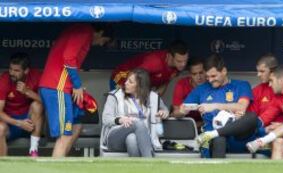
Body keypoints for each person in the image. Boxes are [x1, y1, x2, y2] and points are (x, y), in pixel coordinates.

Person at [39, 23, 113, 157]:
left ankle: (60, 164)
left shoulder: (79, 30)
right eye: (104, 41)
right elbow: (68, 58)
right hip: (57, 87)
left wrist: (74, 86)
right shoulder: (85, 31)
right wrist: (77, 85)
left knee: (75, 127)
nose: (102, 44)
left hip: (60, 87)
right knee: (64, 135)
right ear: (101, 32)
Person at [180, 54, 257, 158]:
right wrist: (182, 110)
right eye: (207, 77)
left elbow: (241, 107)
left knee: (252, 117)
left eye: (213, 76)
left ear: (224, 71)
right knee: (219, 139)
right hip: (212, 138)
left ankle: (214, 134)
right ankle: (213, 135)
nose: (210, 80)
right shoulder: (201, 89)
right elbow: (181, 109)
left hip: (236, 135)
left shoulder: (241, 85)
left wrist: (214, 106)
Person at [101, 68, 169, 157]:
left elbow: (166, 111)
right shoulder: (114, 95)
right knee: (137, 123)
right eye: (126, 80)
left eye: (130, 82)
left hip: (141, 139)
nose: (125, 83)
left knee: (131, 139)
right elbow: (106, 119)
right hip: (115, 138)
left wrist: (164, 112)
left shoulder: (153, 97)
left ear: (140, 86)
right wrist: (120, 120)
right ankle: (150, 161)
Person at [0, 52, 43, 157]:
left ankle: (33, 151)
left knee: (38, 105)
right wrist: (18, 123)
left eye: (16, 70)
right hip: (10, 123)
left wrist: (28, 92)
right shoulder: (4, 79)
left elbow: (48, 102)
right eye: (10, 69)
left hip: (30, 123)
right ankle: (3, 166)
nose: (12, 73)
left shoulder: (36, 76)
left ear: (26, 71)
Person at [110, 40, 189, 95]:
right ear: (170, 56)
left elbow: (164, 83)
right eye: (179, 61)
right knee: (122, 108)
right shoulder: (155, 62)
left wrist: (154, 100)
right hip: (120, 77)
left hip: (139, 86)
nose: (183, 64)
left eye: (185, 61)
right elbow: (133, 75)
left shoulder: (177, 68)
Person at [249, 54, 283, 159]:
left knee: (279, 140)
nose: (258, 75)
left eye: (262, 71)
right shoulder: (256, 91)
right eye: (258, 71)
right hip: (262, 134)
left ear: (273, 72)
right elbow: (252, 122)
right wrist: (264, 130)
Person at [171, 58, 206, 131]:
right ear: (190, 74)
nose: (199, 77)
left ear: (206, 72)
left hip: (206, 124)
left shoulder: (212, 84)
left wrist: (200, 124)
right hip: (186, 124)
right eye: (194, 74)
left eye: (201, 73)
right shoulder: (181, 85)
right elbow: (176, 113)